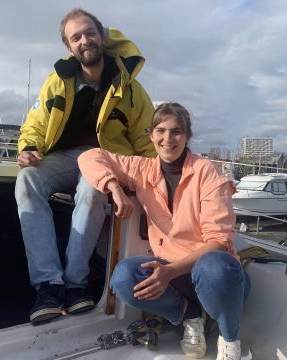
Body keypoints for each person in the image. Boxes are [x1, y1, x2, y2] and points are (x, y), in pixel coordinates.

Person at [15, 8, 156, 324]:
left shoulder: (130, 89)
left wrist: (156, 185)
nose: (84, 40)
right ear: (69, 47)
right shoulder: (56, 83)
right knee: (27, 181)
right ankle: (49, 285)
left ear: (101, 36)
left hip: (105, 160)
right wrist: (28, 148)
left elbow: (147, 142)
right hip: (64, 158)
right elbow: (34, 124)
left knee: (93, 189)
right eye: (75, 37)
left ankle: (76, 285)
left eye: (89, 33)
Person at [78, 103, 250, 359]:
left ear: (187, 136)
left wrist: (168, 272)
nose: (167, 139)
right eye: (161, 130)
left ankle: (229, 337)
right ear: (151, 134)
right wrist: (114, 188)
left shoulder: (207, 173)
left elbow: (219, 242)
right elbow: (89, 156)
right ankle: (189, 315)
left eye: (177, 131)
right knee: (124, 278)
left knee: (213, 265)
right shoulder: (143, 169)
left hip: (218, 276)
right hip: (174, 274)